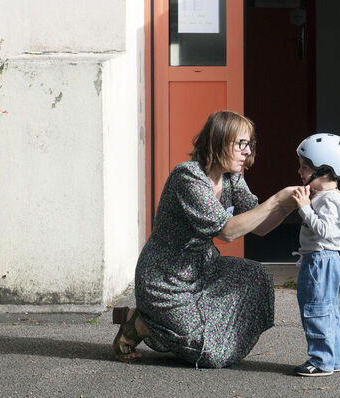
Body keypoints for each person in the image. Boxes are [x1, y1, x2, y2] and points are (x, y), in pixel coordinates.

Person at [111, 110, 305, 367]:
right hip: (165, 279)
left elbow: (260, 227)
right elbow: (228, 231)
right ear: (219, 141)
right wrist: (277, 199)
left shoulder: (232, 178)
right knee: (211, 356)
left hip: (204, 268)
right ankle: (140, 323)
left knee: (256, 276)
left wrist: (291, 204)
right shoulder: (188, 177)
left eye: (250, 144)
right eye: (241, 144)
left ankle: (168, 322)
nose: (247, 151)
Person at [291, 133, 340, 377]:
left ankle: (321, 360)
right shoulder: (327, 197)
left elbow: (325, 231)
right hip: (323, 259)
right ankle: (333, 358)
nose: (299, 171)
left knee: (316, 308)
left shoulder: (330, 200)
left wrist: (305, 208)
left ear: (324, 171)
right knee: (326, 309)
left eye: (305, 167)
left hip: (321, 259)